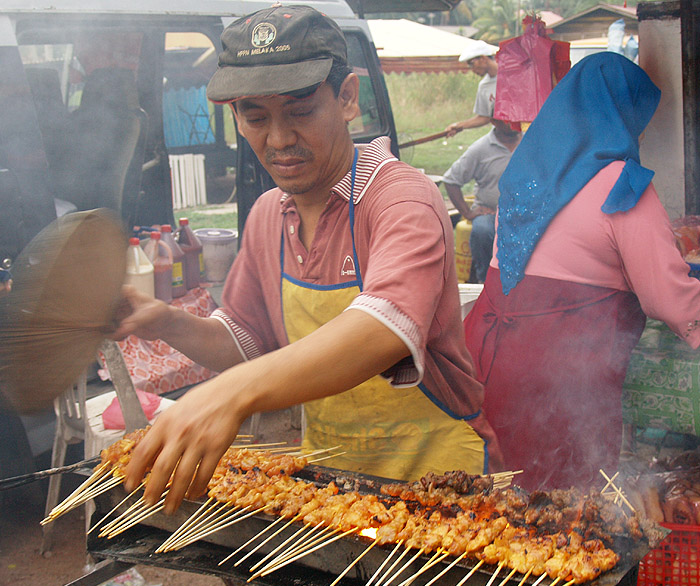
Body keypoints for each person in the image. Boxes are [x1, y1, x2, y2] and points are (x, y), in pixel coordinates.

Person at [115, 5, 502, 513]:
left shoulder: (401, 199)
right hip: (332, 488)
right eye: (255, 117)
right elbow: (247, 344)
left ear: (346, 98)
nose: (278, 139)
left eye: (300, 111)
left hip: (442, 485)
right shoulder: (267, 216)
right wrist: (165, 320)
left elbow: (382, 330)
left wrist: (231, 393)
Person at [463, 52, 700, 492]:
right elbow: (667, 300)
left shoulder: (525, 174)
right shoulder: (623, 183)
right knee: (564, 517)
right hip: (559, 377)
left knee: (502, 507)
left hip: (488, 360)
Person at [443, 119, 521, 283]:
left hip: (524, 212)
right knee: (482, 232)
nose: (514, 121)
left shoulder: (531, 142)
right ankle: (486, 283)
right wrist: (467, 213)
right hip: (489, 212)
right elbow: (451, 180)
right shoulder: (480, 149)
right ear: (494, 120)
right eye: (508, 117)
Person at [445, 40, 498, 138]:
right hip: (500, 136)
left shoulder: (515, 74)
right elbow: (485, 117)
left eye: (471, 64)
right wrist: (458, 126)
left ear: (483, 58)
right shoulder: (484, 86)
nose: (472, 70)